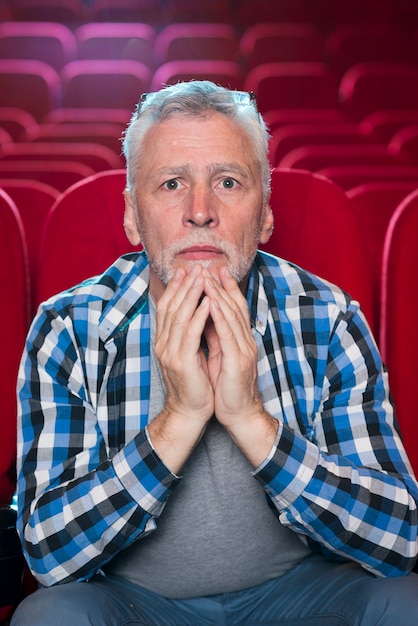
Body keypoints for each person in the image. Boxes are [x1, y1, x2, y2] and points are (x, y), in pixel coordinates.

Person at [12, 81, 418, 626]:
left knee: (407, 602)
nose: (200, 211)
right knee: (50, 616)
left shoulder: (327, 316)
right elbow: (49, 556)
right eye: (172, 183)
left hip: (302, 593)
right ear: (133, 217)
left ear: (265, 215)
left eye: (228, 182)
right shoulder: (68, 327)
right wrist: (178, 420)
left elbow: (400, 539)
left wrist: (252, 421)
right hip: (133, 601)